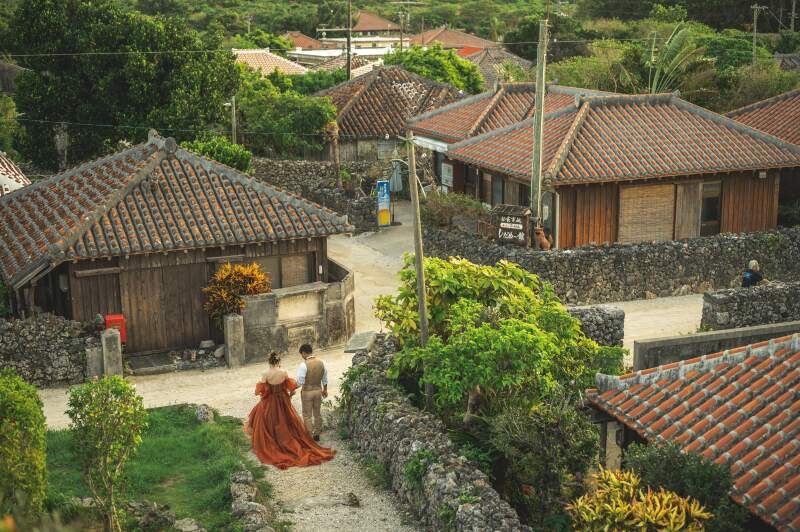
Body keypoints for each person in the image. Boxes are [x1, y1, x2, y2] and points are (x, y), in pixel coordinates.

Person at [245, 352, 334, 469]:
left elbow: (262, 390)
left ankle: (273, 441)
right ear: (278, 361)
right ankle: (288, 439)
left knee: (268, 419)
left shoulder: (265, 373)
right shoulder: (283, 372)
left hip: (270, 400)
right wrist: (290, 394)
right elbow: (290, 387)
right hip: (282, 399)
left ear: (269, 362)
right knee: (286, 421)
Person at [297, 344, 327, 442]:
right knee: (317, 413)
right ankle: (317, 434)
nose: (302, 356)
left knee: (307, 415)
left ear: (304, 353)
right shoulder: (321, 362)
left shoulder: (303, 365)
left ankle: (309, 436)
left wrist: (291, 387)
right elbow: (325, 378)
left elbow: (300, 382)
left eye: (301, 354)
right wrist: (325, 390)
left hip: (307, 392)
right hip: (318, 390)